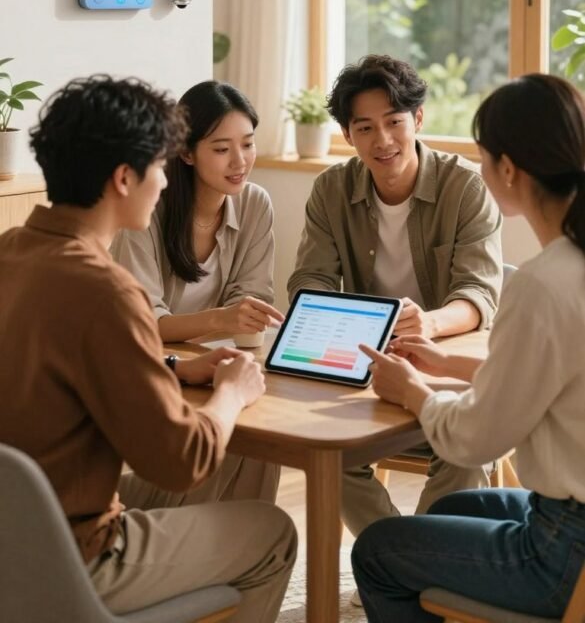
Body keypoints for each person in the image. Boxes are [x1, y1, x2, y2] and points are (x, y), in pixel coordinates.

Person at [0, 76, 296, 622]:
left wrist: (177, 367)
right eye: (160, 165)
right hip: (77, 554)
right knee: (273, 532)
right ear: (123, 178)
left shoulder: (10, 252)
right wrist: (231, 393)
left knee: (242, 464)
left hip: (17, 528)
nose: (164, 182)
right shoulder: (108, 291)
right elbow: (183, 461)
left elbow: (60, 365)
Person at [352, 73, 585, 621]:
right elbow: (553, 379)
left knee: (377, 552)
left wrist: (413, 391)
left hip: (561, 550)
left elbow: (476, 439)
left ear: (509, 169)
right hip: (565, 518)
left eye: (484, 157)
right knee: (453, 509)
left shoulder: (542, 284)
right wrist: (446, 362)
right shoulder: (570, 269)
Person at [288, 54, 503, 535]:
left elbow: (478, 293)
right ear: (348, 135)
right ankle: (396, 554)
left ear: (418, 119)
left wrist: (430, 322)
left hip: (444, 367)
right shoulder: (330, 190)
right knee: (322, 448)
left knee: (468, 447)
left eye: (394, 122)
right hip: (367, 367)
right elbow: (309, 282)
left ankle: (410, 556)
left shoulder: (465, 187)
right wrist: (345, 324)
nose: (382, 140)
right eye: (364, 128)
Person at [111, 80, 284, 345]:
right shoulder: (144, 211)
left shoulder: (254, 204)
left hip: (212, 353)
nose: (239, 161)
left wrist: (235, 323)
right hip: (145, 356)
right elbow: (143, 321)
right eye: (222, 149)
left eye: (248, 144)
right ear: (186, 153)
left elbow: (250, 301)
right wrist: (220, 319)